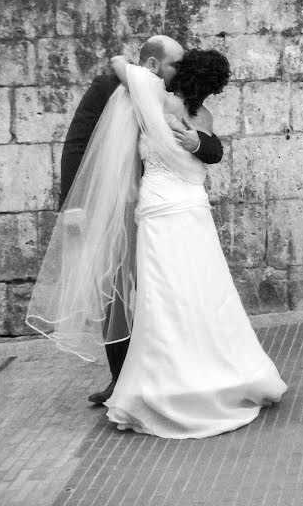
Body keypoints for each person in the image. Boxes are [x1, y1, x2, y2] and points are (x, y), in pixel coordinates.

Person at [102, 49, 286, 438]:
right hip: (189, 208)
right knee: (203, 289)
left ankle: (164, 384)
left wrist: (145, 68)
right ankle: (214, 373)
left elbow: (120, 64)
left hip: (161, 209)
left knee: (163, 295)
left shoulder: (154, 99)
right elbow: (215, 151)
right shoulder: (203, 116)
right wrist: (196, 143)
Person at [52, 35, 224, 405]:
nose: (180, 72)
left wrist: (196, 142)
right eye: (176, 64)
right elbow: (77, 141)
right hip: (109, 204)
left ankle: (162, 371)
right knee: (113, 289)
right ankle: (120, 377)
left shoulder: (169, 99)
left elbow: (210, 143)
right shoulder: (111, 85)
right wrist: (73, 204)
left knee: (158, 290)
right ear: (151, 66)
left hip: (153, 206)